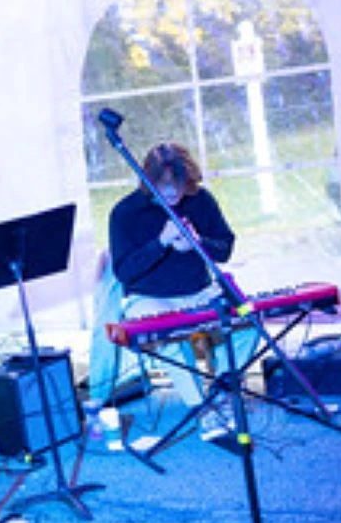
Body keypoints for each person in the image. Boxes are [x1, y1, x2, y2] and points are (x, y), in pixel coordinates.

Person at [109, 141, 257, 436]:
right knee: (170, 335)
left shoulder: (200, 200)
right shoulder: (125, 213)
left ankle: (223, 392)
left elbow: (225, 248)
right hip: (148, 297)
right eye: (165, 186)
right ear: (149, 181)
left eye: (179, 184)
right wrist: (161, 243)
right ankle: (201, 408)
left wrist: (197, 242)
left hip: (199, 291)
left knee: (250, 321)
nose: (173, 193)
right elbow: (124, 271)